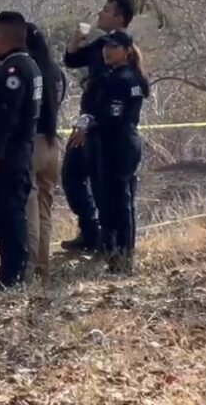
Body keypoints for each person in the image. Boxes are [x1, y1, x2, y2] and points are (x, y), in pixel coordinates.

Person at [60, 0, 135, 253]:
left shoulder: (121, 52)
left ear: (119, 18)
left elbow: (105, 94)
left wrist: (86, 124)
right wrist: (76, 39)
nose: (100, 13)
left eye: (106, 10)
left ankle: (108, 242)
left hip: (102, 129)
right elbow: (71, 60)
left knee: (102, 185)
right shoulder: (100, 45)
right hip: (89, 123)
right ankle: (91, 231)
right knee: (75, 176)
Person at [0, 11, 41, 291]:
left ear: (2, 38)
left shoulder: (14, 71)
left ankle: (11, 277)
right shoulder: (29, 66)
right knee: (11, 214)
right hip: (21, 152)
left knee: (8, 217)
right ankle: (13, 273)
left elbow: (6, 114)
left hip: (7, 157)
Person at [78, 30, 148, 274]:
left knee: (118, 202)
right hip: (116, 141)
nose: (107, 51)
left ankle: (122, 257)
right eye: (105, 46)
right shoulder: (116, 76)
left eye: (114, 46)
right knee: (112, 199)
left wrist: (90, 122)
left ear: (127, 50)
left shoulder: (123, 78)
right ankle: (114, 254)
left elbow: (111, 115)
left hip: (117, 142)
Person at [24, 23, 67, 280]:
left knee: (29, 210)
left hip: (31, 144)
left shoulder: (28, 71)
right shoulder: (57, 73)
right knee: (45, 208)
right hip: (53, 143)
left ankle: (28, 267)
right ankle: (43, 265)